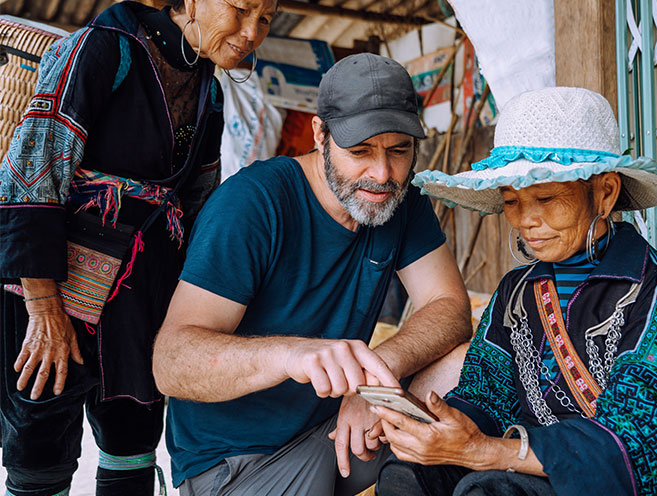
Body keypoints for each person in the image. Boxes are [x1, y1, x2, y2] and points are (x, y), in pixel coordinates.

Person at [374, 86, 657, 496]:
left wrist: (485, 452)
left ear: (605, 193)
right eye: (512, 201)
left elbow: (637, 444)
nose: (526, 221)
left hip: (620, 482)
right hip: (517, 467)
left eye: (545, 197)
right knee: (407, 476)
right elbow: (486, 396)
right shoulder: (515, 293)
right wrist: (440, 426)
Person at [151, 52, 472, 495]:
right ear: (320, 134)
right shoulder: (252, 203)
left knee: (472, 367)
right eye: (360, 151)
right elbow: (170, 363)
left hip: (340, 428)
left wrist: (374, 381)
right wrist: (290, 356)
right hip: (241, 463)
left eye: (399, 150)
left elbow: (451, 308)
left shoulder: (399, 199)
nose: (382, 173)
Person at [0, 0, 276, 494]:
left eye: (265, 19)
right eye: (241, 9)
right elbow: (30, 170)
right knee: (41, 441)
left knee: (134, 437)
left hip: (143, 288)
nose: (252, 31)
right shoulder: (104, 48)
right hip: (53, 283)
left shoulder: (208, 89)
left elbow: (198, 204)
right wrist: (43, 309)